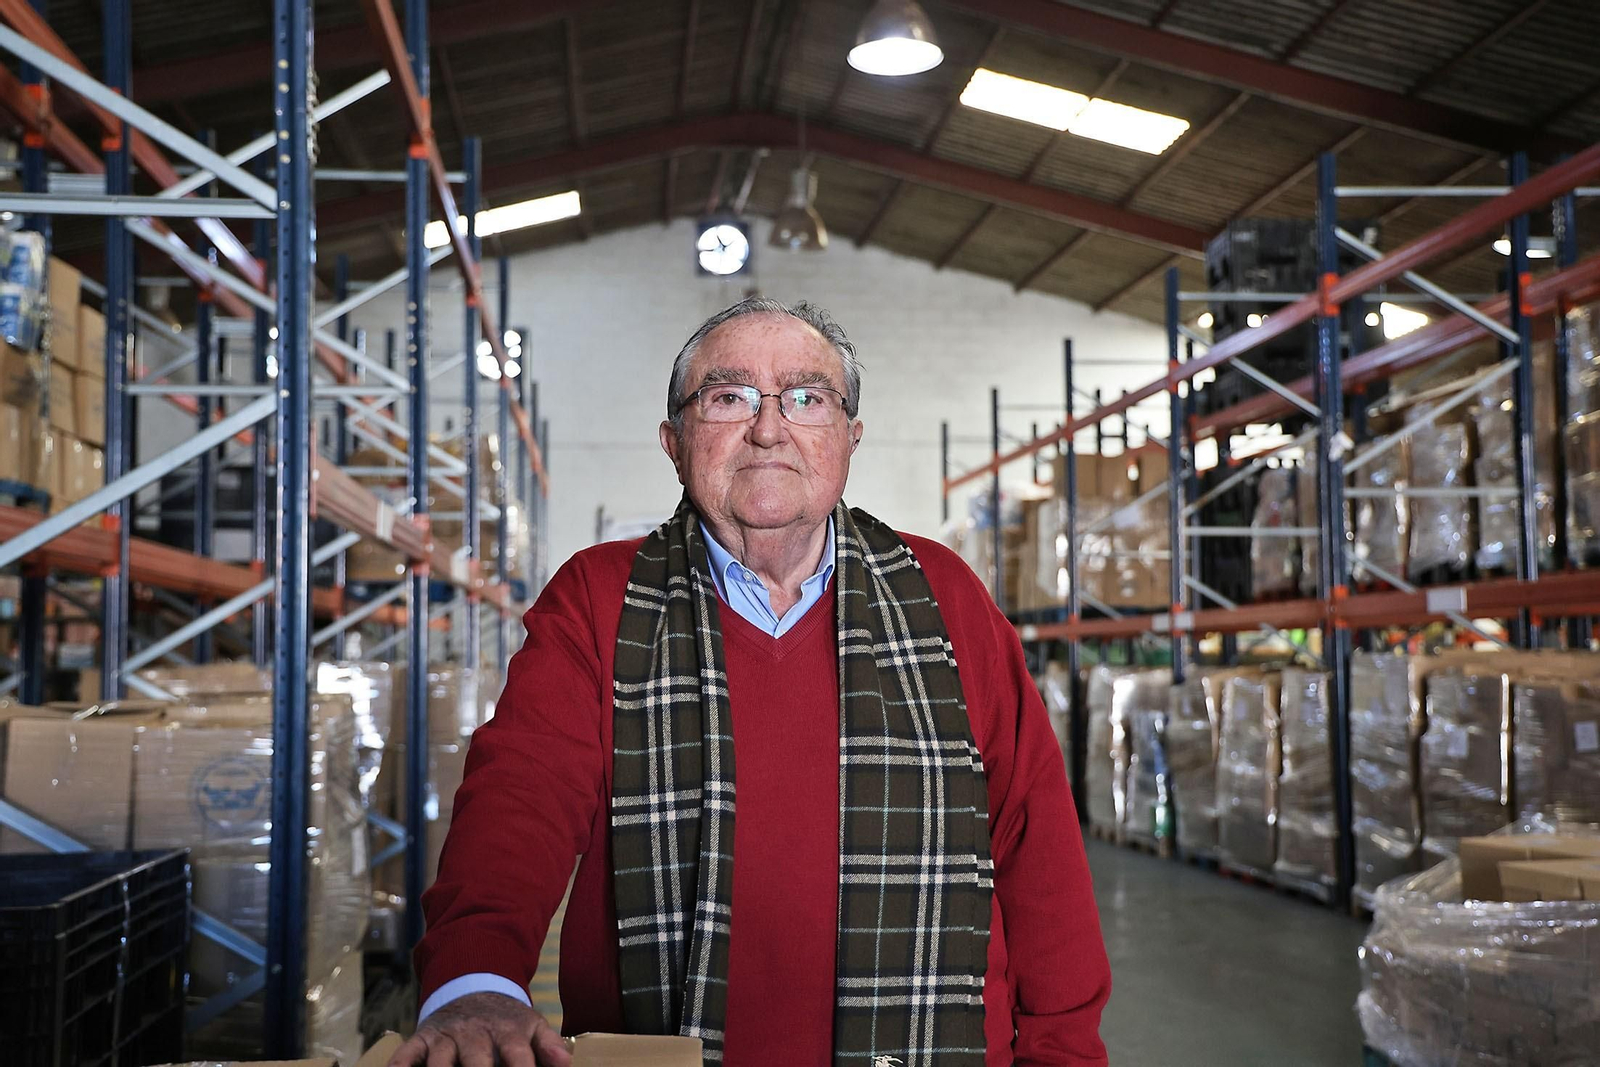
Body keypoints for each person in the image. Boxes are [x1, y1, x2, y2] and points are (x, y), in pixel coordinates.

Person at [389, 297, 1110, 1067]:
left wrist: (1062, 1051)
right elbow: (519, 795)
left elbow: (1039, 847)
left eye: (807, 397)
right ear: (674, 441)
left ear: (848, 438)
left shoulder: (945, 597)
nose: (769, 428)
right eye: (728, 397)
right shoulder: (600, 599)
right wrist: (476, 973)